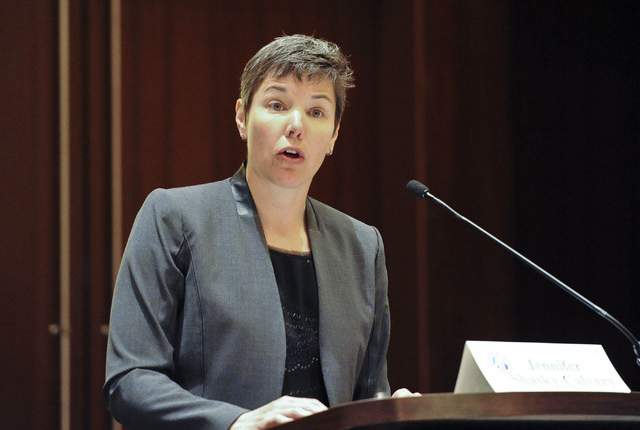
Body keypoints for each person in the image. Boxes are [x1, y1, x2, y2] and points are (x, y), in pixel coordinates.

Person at [104, 34, 418, 430]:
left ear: (335, 134)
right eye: (277, 105)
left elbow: (368, 393)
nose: (296, 126)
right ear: (242, 116)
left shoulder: (361, 245)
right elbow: (130, 380)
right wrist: (237, 421)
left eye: (316, 112)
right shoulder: (175, 217)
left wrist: (392, 413)